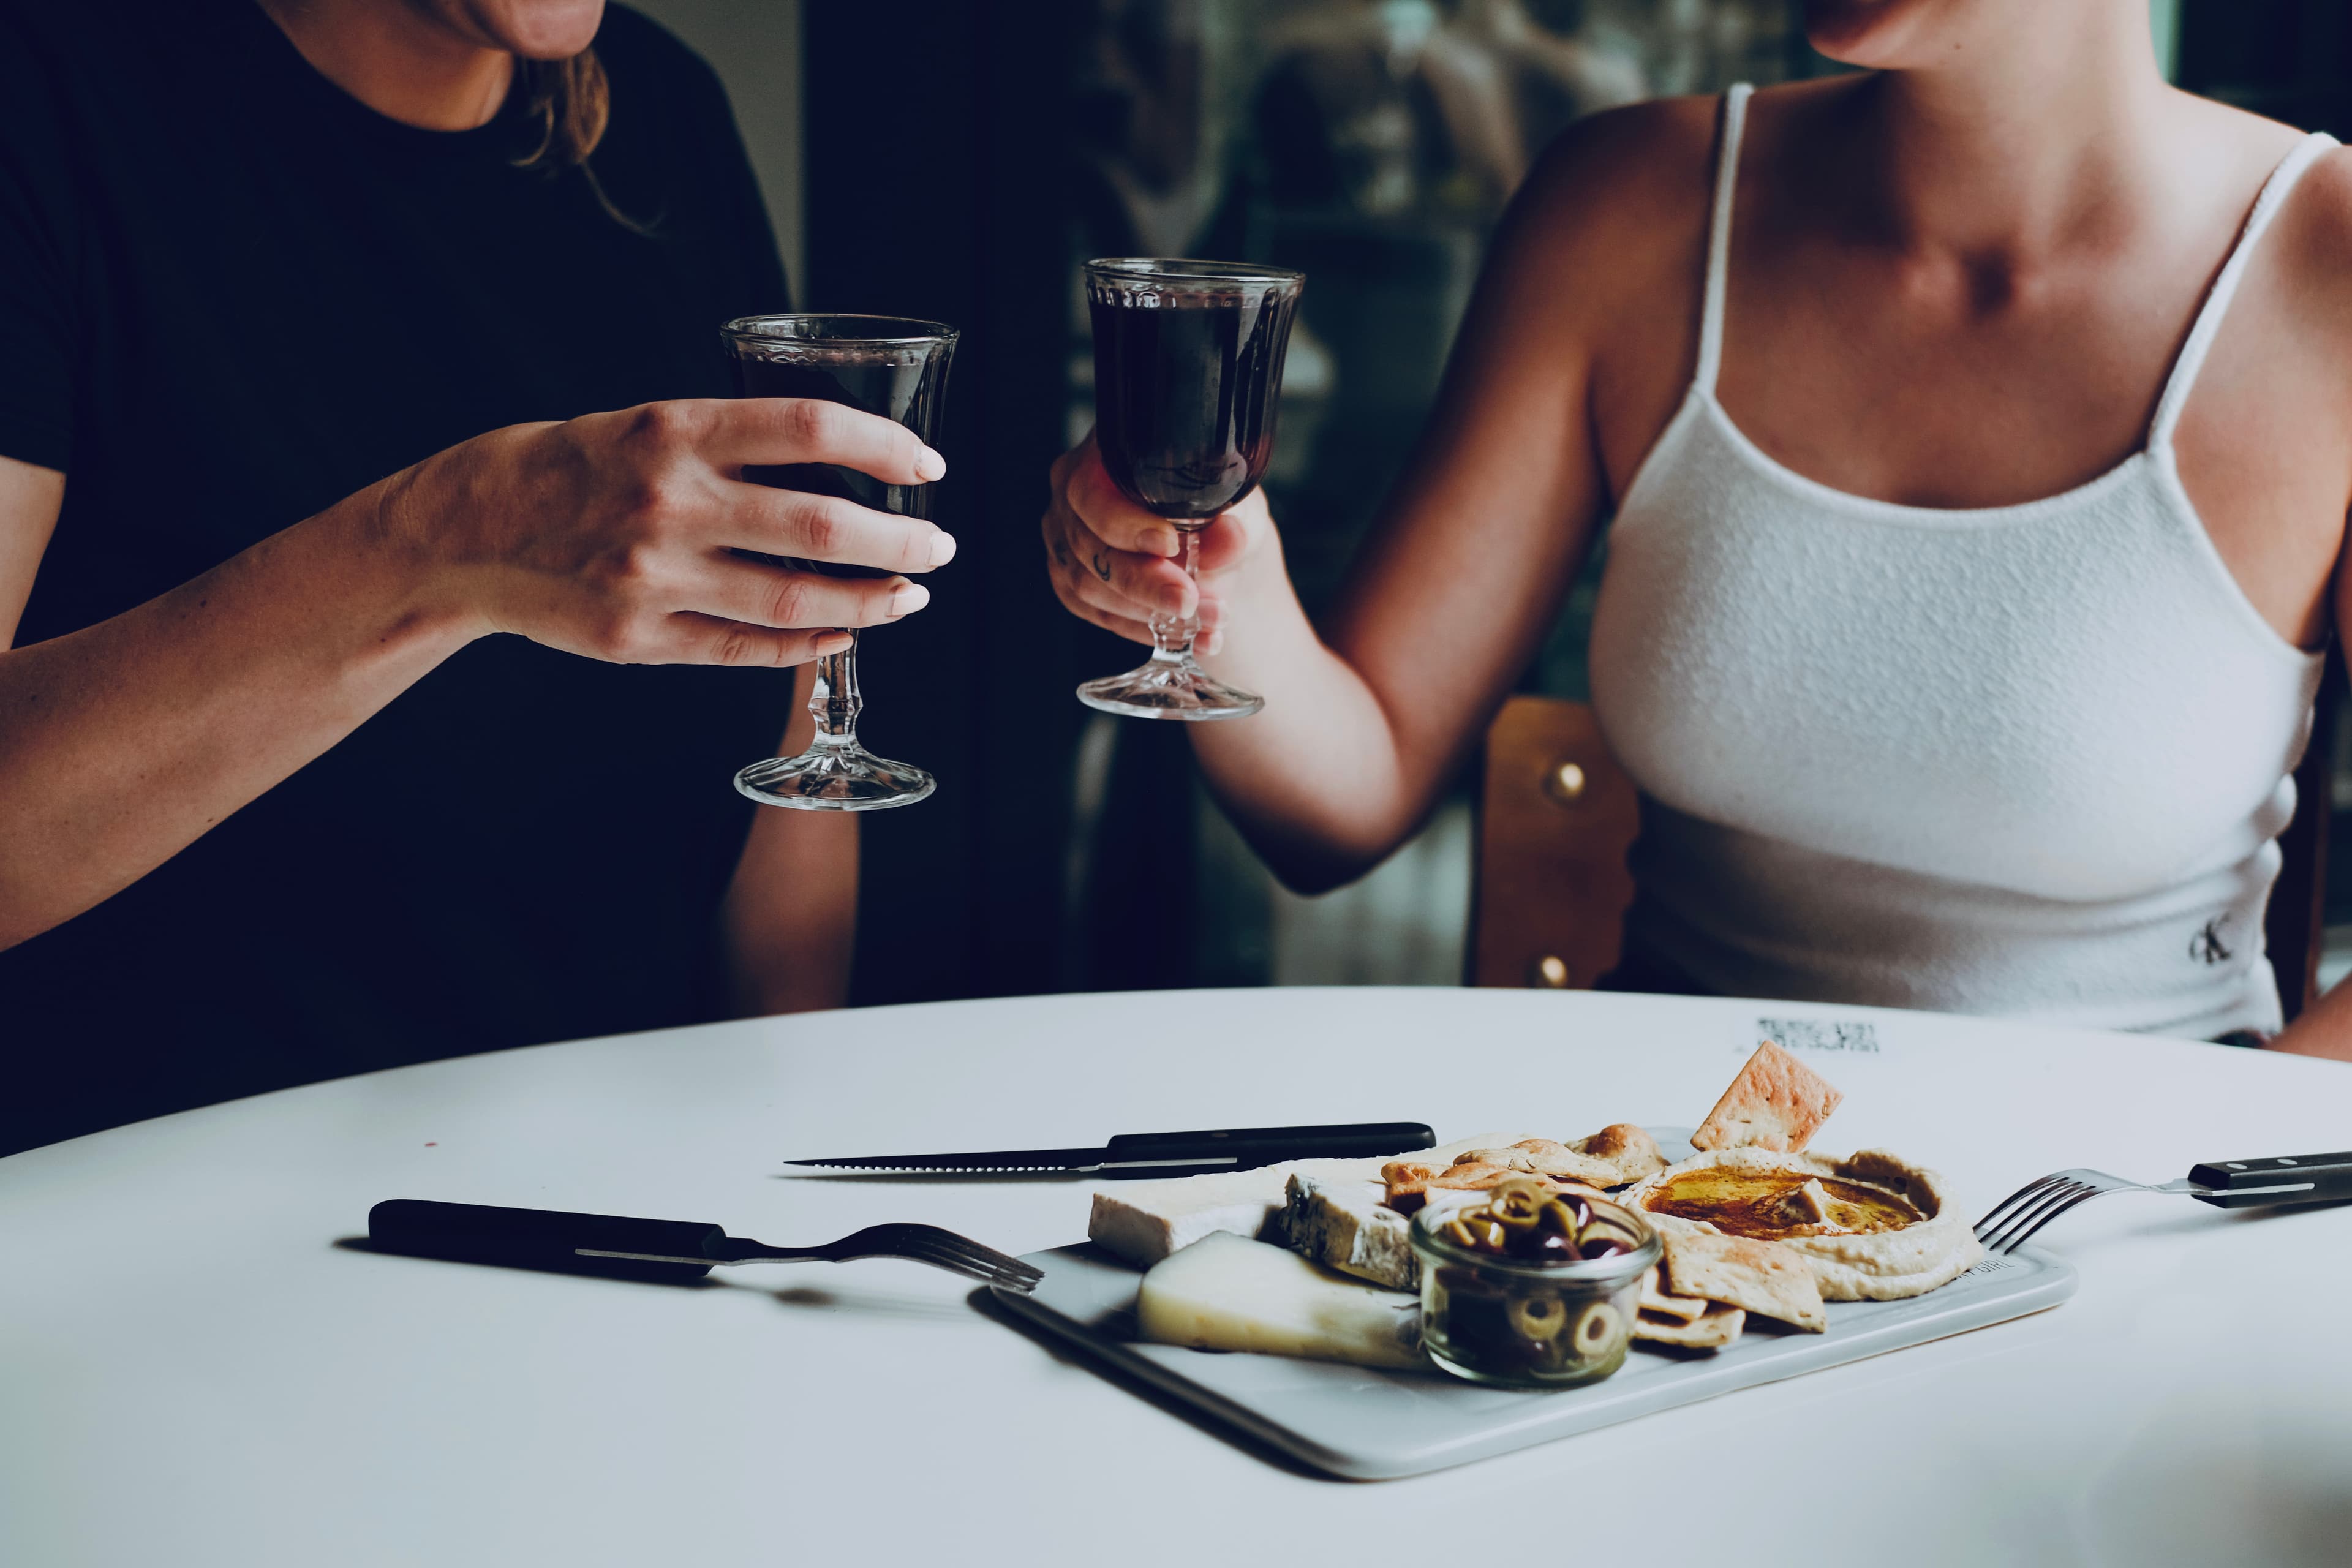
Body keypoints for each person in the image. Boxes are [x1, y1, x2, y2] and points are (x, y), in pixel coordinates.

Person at [1041, 0, 2352, 1061]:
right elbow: (1343, 804)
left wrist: (2185, 1197)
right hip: (1664, 1234)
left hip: (2122, 1231)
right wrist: (1230, 592)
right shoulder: (1630, 209)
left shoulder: (2327, 266)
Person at [0, 0, 951, 1155]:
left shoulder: (663, 108)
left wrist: (784, 1145)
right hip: (147, 1213)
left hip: (611, 1213)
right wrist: (444, 543)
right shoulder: (47, 93)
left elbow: (788, 705)